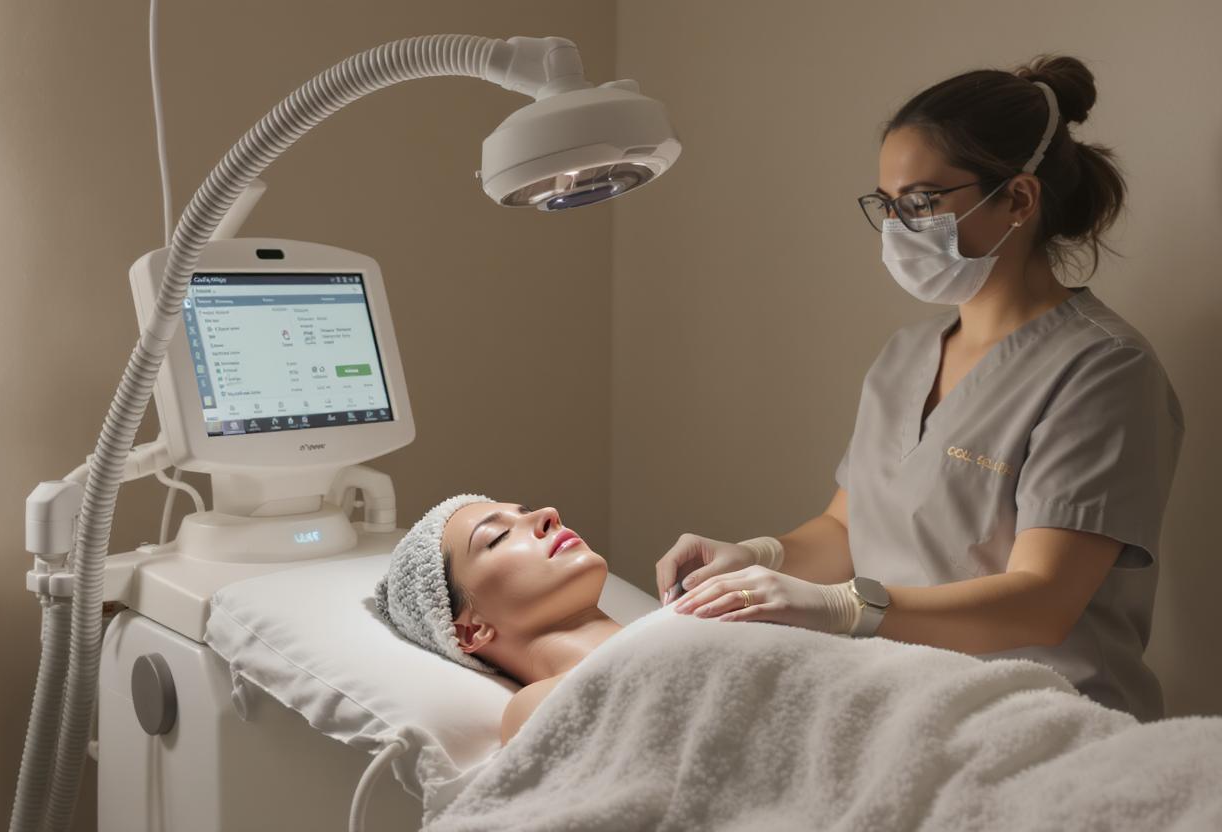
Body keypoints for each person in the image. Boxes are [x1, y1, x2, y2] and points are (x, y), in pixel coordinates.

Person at [655, 55, 1184, 723]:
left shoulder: (1103, 368)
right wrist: (760, 555)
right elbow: (845, 526)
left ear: (1019, 199)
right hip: (904, 705)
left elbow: (1042, 601)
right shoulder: (905, 357)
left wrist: (843, 606)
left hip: (1045, 718)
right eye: (887, 204)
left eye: (921, 202)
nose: (897, 227)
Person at [374, 494, 622, 745]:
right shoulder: (540, 707)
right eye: (498, 536)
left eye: (528, 511)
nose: (548, 512)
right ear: (471, 631)